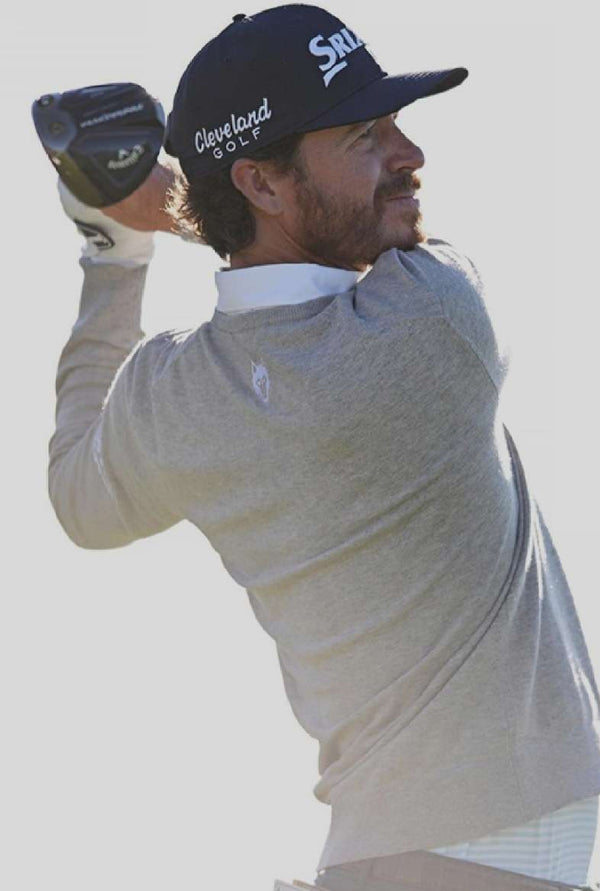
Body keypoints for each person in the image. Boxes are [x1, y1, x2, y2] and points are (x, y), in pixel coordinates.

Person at [47, 5, 600, 890]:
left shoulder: (171, 396)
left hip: (394, 859)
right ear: (263, 183)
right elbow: (345, 251)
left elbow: (80, 501)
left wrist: (114, 248)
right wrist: (173, 203)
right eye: (364, 135)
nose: (409, 152)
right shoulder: (432, 317)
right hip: (456, 867)